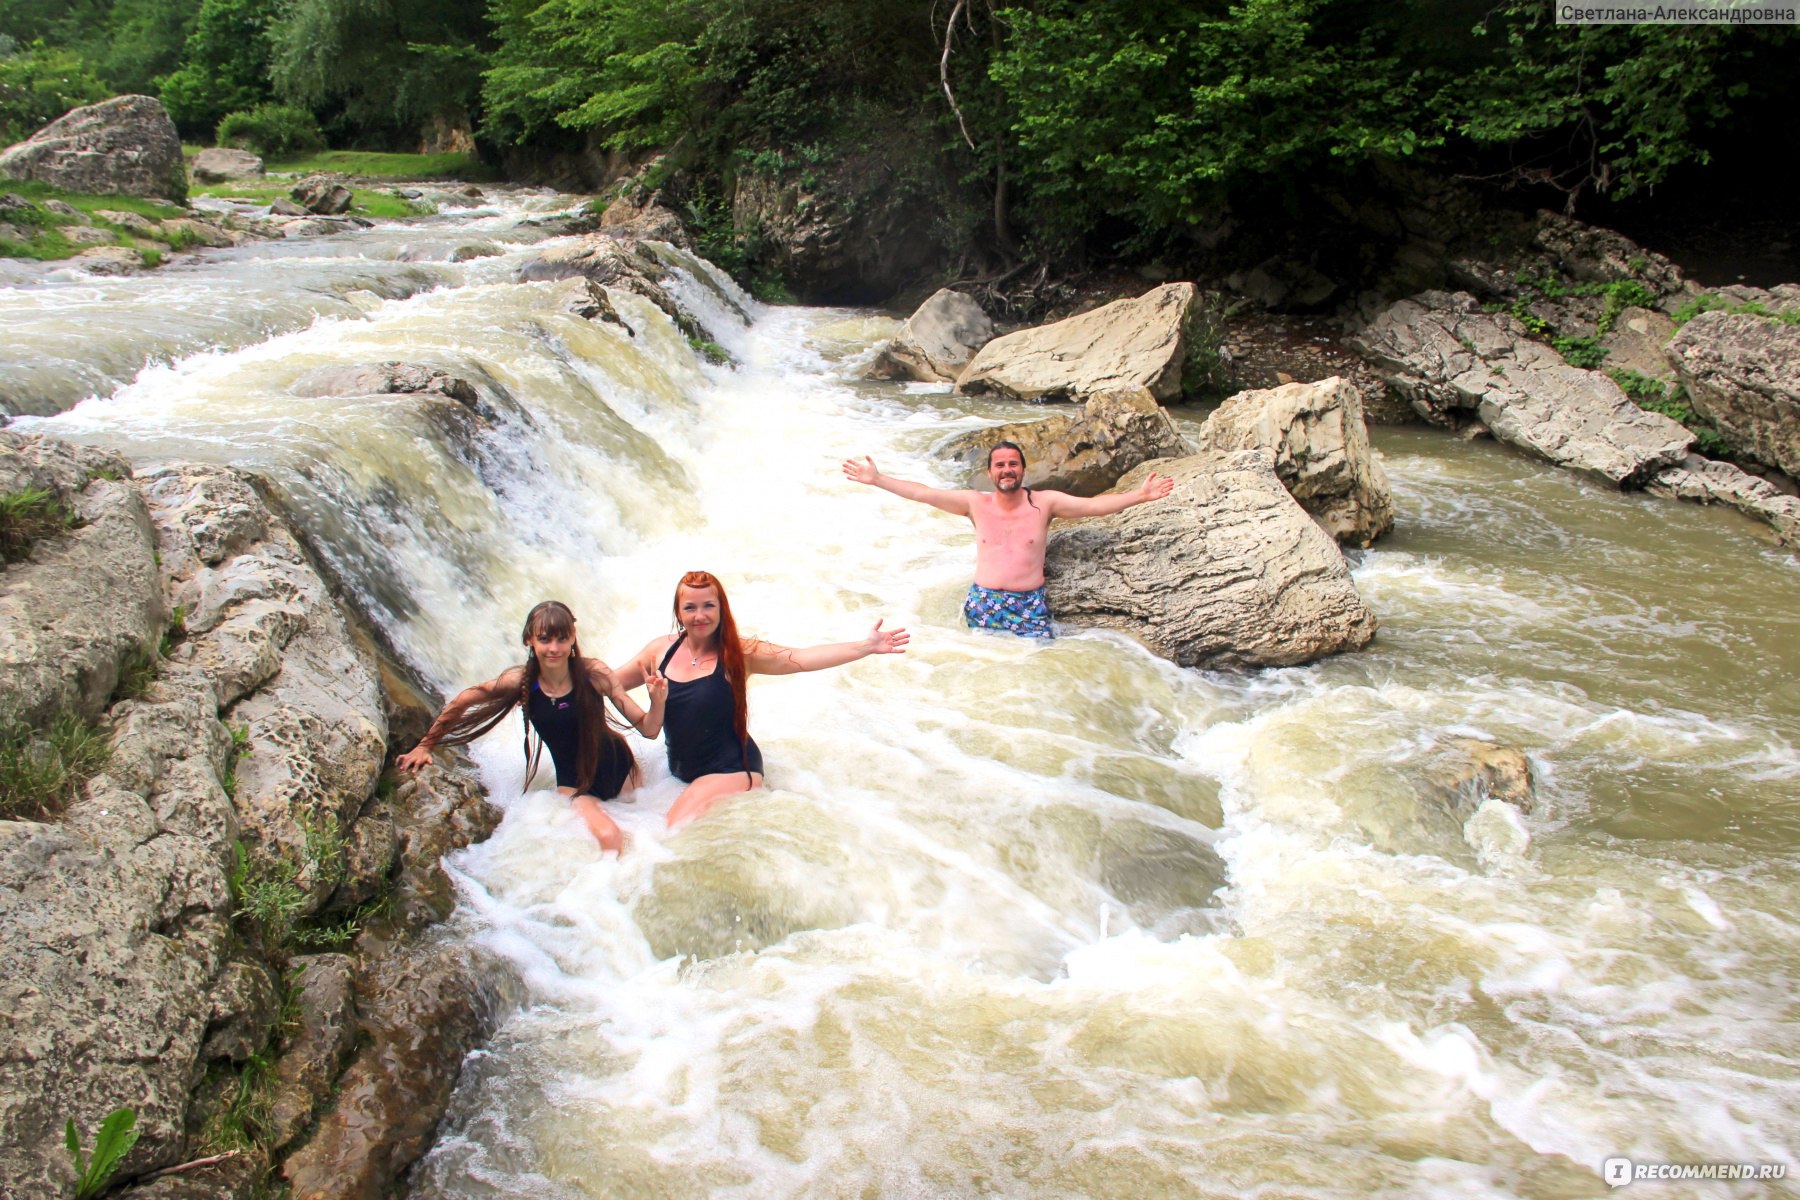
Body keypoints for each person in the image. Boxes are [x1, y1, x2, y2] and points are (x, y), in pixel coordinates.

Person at [613, 570, 908, 828]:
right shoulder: (659, 651)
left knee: (671, 829)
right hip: (678, 771)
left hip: (732, 768)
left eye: (708, 606)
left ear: (721, 609)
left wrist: (865, 646)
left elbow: (800, 659)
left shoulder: (739, 654)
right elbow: (612, 683)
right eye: (690, 607)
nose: (699, 615)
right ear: (678, 612)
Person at [395, 600, 666, 853]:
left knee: (650, 835)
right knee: (609, 840)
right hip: (575, 785)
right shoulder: (521, 682)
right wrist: (425, 745)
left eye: (562, 638)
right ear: (530, 640)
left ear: (573, 637)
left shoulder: (594, 674)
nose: (554, 648)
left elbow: (649, 729)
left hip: (621, 769)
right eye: (545, 639)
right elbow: (466, 699)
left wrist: (658, 702)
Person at [841, 441, 1175, 638]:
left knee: (1033, 672)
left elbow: (1095, 506)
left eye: (1012, 464)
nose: (1006, 470)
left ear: (1022, 470)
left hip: (1029, 606)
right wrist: (878, 479)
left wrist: (1140, 496)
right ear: (990, 473)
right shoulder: (975, 503)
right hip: (982, 602)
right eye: (999, 465)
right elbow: (924, 493)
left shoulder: (1045, 503)